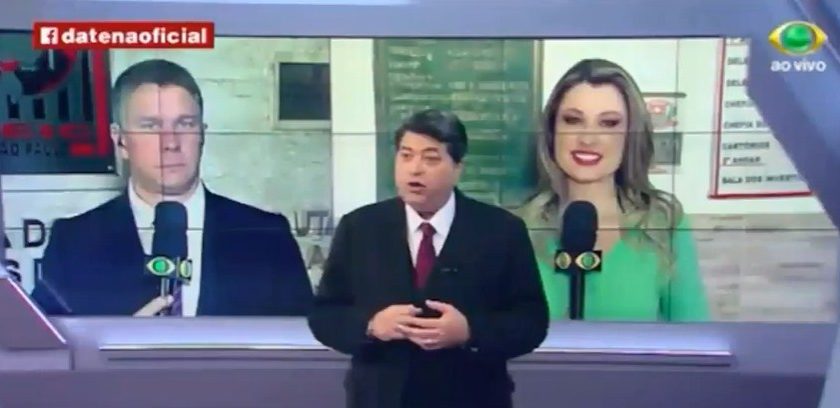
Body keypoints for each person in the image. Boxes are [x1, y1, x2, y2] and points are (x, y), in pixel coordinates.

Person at [31, 59, 313, 317]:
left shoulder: (267, 236)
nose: (170, 143)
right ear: (120, 140)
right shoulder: (73, 243)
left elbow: (306, 348)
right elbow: (46, 349)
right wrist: (119, 342)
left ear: (202, 134)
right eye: (150, 126)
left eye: (185, 124)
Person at [308, 109, 549, 408]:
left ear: (457, 167)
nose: (415, 169)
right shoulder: (360, 227)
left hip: (471, 397)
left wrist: (469, 332)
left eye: (430, 158)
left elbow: (531, 322)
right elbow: (325, 314)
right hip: (381, 398)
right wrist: (371, 325)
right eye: (406, 156)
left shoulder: (501, 231)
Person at [516, 58, 709, 322]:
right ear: (552, 131)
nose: (588, 138)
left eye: (608, 123)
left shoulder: (663, 224)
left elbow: (694, 334)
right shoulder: (516, 230)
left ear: (631, 135)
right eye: (572, 120)